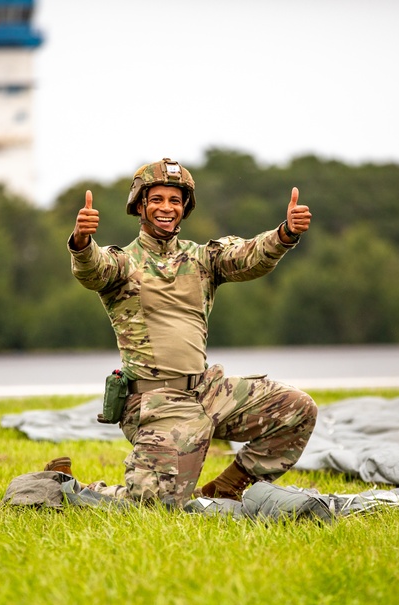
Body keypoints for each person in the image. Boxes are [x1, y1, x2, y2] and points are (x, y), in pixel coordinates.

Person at [47, 157, 318, 506]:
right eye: (157, 199)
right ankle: (64, 484)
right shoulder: (123, 263)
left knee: (298, 409)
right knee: (153, 504)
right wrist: (82, 242)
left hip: (208, 390)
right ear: (140, 206)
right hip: (156, 403)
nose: (166, 208)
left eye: (175, 201)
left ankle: (227, 487)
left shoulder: (203, 259)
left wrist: (286, 233)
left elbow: (248, 256)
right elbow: (92, 271)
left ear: (184, 208)